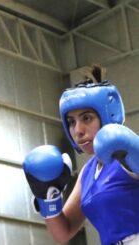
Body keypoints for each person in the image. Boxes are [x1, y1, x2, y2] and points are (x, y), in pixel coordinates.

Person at [23, 64, 139, 245]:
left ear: (108, 114)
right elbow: (63, 232)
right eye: (71, 122)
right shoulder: (87, 172)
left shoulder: (129, 154)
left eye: (86, 118)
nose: (78, 130)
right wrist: (48, 197)